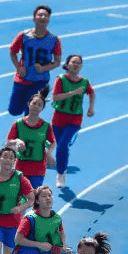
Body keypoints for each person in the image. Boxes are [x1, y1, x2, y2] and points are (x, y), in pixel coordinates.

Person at [50, 54, 95, 189]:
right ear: (67, 64)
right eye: (73, 62)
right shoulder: (61, 80)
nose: (76, 65)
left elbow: (91, 93)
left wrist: (91, 107)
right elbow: (55, 97)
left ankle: (61, 173)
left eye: (79, 63)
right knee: (60, 146)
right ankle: (60, 165)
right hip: (59, 118)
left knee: (63, 144)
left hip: (74, 119)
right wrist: (72, 93)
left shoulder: (85, 82)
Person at [8, 5, 62, 117]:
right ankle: (25, 102)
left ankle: (26, 132)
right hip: (22, 78)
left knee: (31, 113)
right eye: (40, 15)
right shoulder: (24, 35)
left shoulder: (54, 40)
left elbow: (57, 62)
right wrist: (18, 67)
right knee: (14, 111)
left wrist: (44, 68)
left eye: (45, 15)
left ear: (48, 19)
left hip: (40, 81)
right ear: (34, 18)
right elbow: (12, 51)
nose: (42, 17)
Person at [7, 90, 57, 189]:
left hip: (38, 167)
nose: (36, 106)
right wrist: (17, 141)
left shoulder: (45, 126)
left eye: (39, 105)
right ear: (28, 104)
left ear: (42, 108)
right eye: (34, 103)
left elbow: (52, 142)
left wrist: (49, 153)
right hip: (21, 166)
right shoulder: (18, 124)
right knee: (18, 197)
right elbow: (9, 142)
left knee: (34, 196)